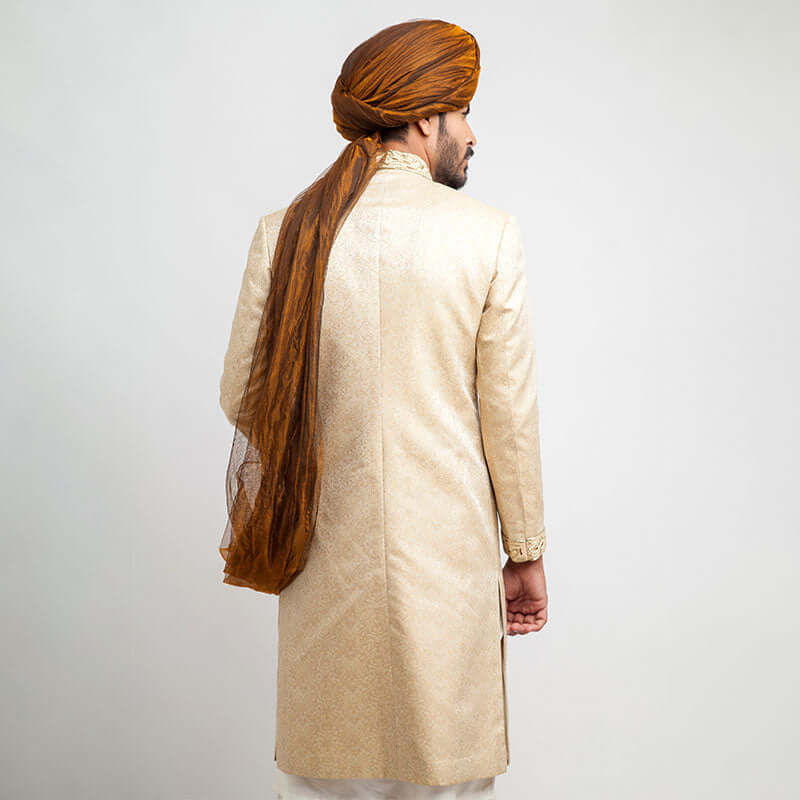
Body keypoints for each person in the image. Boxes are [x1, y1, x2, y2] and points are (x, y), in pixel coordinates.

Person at [219, 18, 548, 800]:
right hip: (448, 581)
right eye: (462, 112)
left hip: (322, 574)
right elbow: (510, 419)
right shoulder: (486, 237)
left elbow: (242, 393)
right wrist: (525, 551)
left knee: (326, 783)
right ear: (425, 117)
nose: (471, 133)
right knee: (447, 781)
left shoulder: (289, 234)